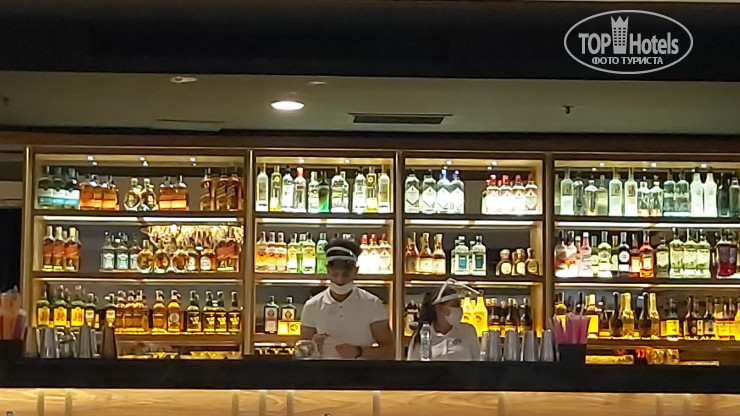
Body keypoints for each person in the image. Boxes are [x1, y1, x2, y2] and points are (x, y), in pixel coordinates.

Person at [300, 238, 394, 359]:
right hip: (323, 370)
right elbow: (302, 353)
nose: (340, 280)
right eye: (335, 274)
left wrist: (358, 351)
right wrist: (312, 347)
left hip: (361, 370)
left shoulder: (372, 304)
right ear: (327, 271)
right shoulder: (312, 306)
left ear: (356, 271)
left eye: (345, 274)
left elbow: (389, 351)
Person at [407, 286, 480, 361]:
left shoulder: (468, 331)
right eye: (455, 305)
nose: (459, 309)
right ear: (439, 308)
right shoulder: (422, 336)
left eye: (459, 305)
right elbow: (412, 365)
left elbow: (478, 361)